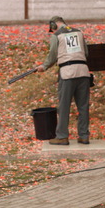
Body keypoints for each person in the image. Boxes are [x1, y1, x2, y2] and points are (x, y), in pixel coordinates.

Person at [36, 16, 90, 145]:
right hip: (83, 71)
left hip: (67, 73)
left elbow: (52, 55)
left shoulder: (57, 36)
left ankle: (62, 136)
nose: (52, 31)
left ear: (54, 25)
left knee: (64, 106)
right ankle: (84, 136)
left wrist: (44, 66)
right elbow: (86, 53)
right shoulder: (79, 32)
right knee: (83, 106)